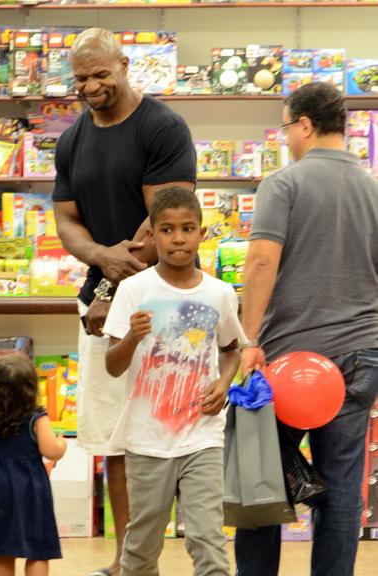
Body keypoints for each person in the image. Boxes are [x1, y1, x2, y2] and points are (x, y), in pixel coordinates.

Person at [53, 28, 196, 576]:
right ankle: (127, 563)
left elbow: (165, 223)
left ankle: (150, 557)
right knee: (114, 438)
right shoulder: (72, 140)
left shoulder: (161, 128)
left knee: (163, 436)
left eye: (100, 74)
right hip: (98, 302)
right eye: (81, 78)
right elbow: (66, 217)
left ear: (124, 64)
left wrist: (112, 285)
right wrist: (98, 257)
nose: (90, 86)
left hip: (163, 304)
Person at [236, 82, 378, 576]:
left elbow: (260, 263)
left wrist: (249, 340)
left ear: (304, 125)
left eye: (286, 127)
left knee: (262, 482)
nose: (286, 139)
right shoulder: (373, 188)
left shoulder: (284, 183)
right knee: (341, 489)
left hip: (288, 362)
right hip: (361, 355)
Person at [104, 187, 243, 576]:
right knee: (141, 550)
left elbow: (231, 349)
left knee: (209, 544)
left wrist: (225, 381)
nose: (178, 238)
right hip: (148, 440)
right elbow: (113, 365)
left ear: (201, 232)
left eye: (187, 228)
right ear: (153, 235)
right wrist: (132, 336)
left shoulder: (219, 293)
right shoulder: (134, 290)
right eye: (166, 229)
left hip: (202, 436)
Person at [0, 354, 67, 576]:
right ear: (30, 388)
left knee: (2, 549)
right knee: (37, 548)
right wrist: (61, 444)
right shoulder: (36, 417)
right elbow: (50, 451)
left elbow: (0, 452)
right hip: (28, 487)